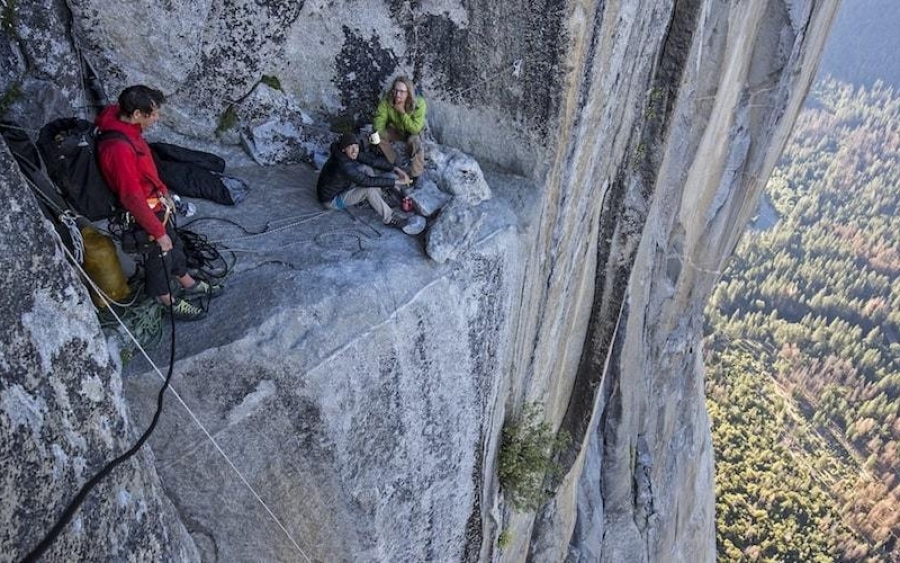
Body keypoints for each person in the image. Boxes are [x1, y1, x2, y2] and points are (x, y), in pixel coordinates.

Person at [96, 85, 223, 321]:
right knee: (158, 254)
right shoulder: (118, 149)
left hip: (155, 203)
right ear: (136, 114)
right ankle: (167, 301)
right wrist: (156, 230)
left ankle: (186, 281)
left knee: (172, 243)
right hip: (141, 212)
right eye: (152, 113)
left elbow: (145, 169)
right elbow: (131, 196)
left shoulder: (124, 124)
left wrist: (163, 192)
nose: (156, 118)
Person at [317, 132, 410, 227]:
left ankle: (378, 199)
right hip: (331, 200)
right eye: (350, 147)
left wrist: (395, 168)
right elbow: (367, 182)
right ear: (344, 149)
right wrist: (396, 182)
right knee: (368, 190)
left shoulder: (342, 152)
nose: (354, 150)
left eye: (356, 146)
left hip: (339, 185)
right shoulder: (344, 165)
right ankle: (389, 219)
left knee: (366, 168)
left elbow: (372, 161)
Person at [372, 76, 427, 180]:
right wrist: (377, 135)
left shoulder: (419, 103)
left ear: (408, 93)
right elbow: (379, 119)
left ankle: (416, 175)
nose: (397, 95)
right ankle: (394, 164)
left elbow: (415, 128)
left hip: (413, 132)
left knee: (415, 141)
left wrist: (402, 112)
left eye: (402, 92)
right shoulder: (387, 101)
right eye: (395, 90)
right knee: (376, 135)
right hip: (397, 129)